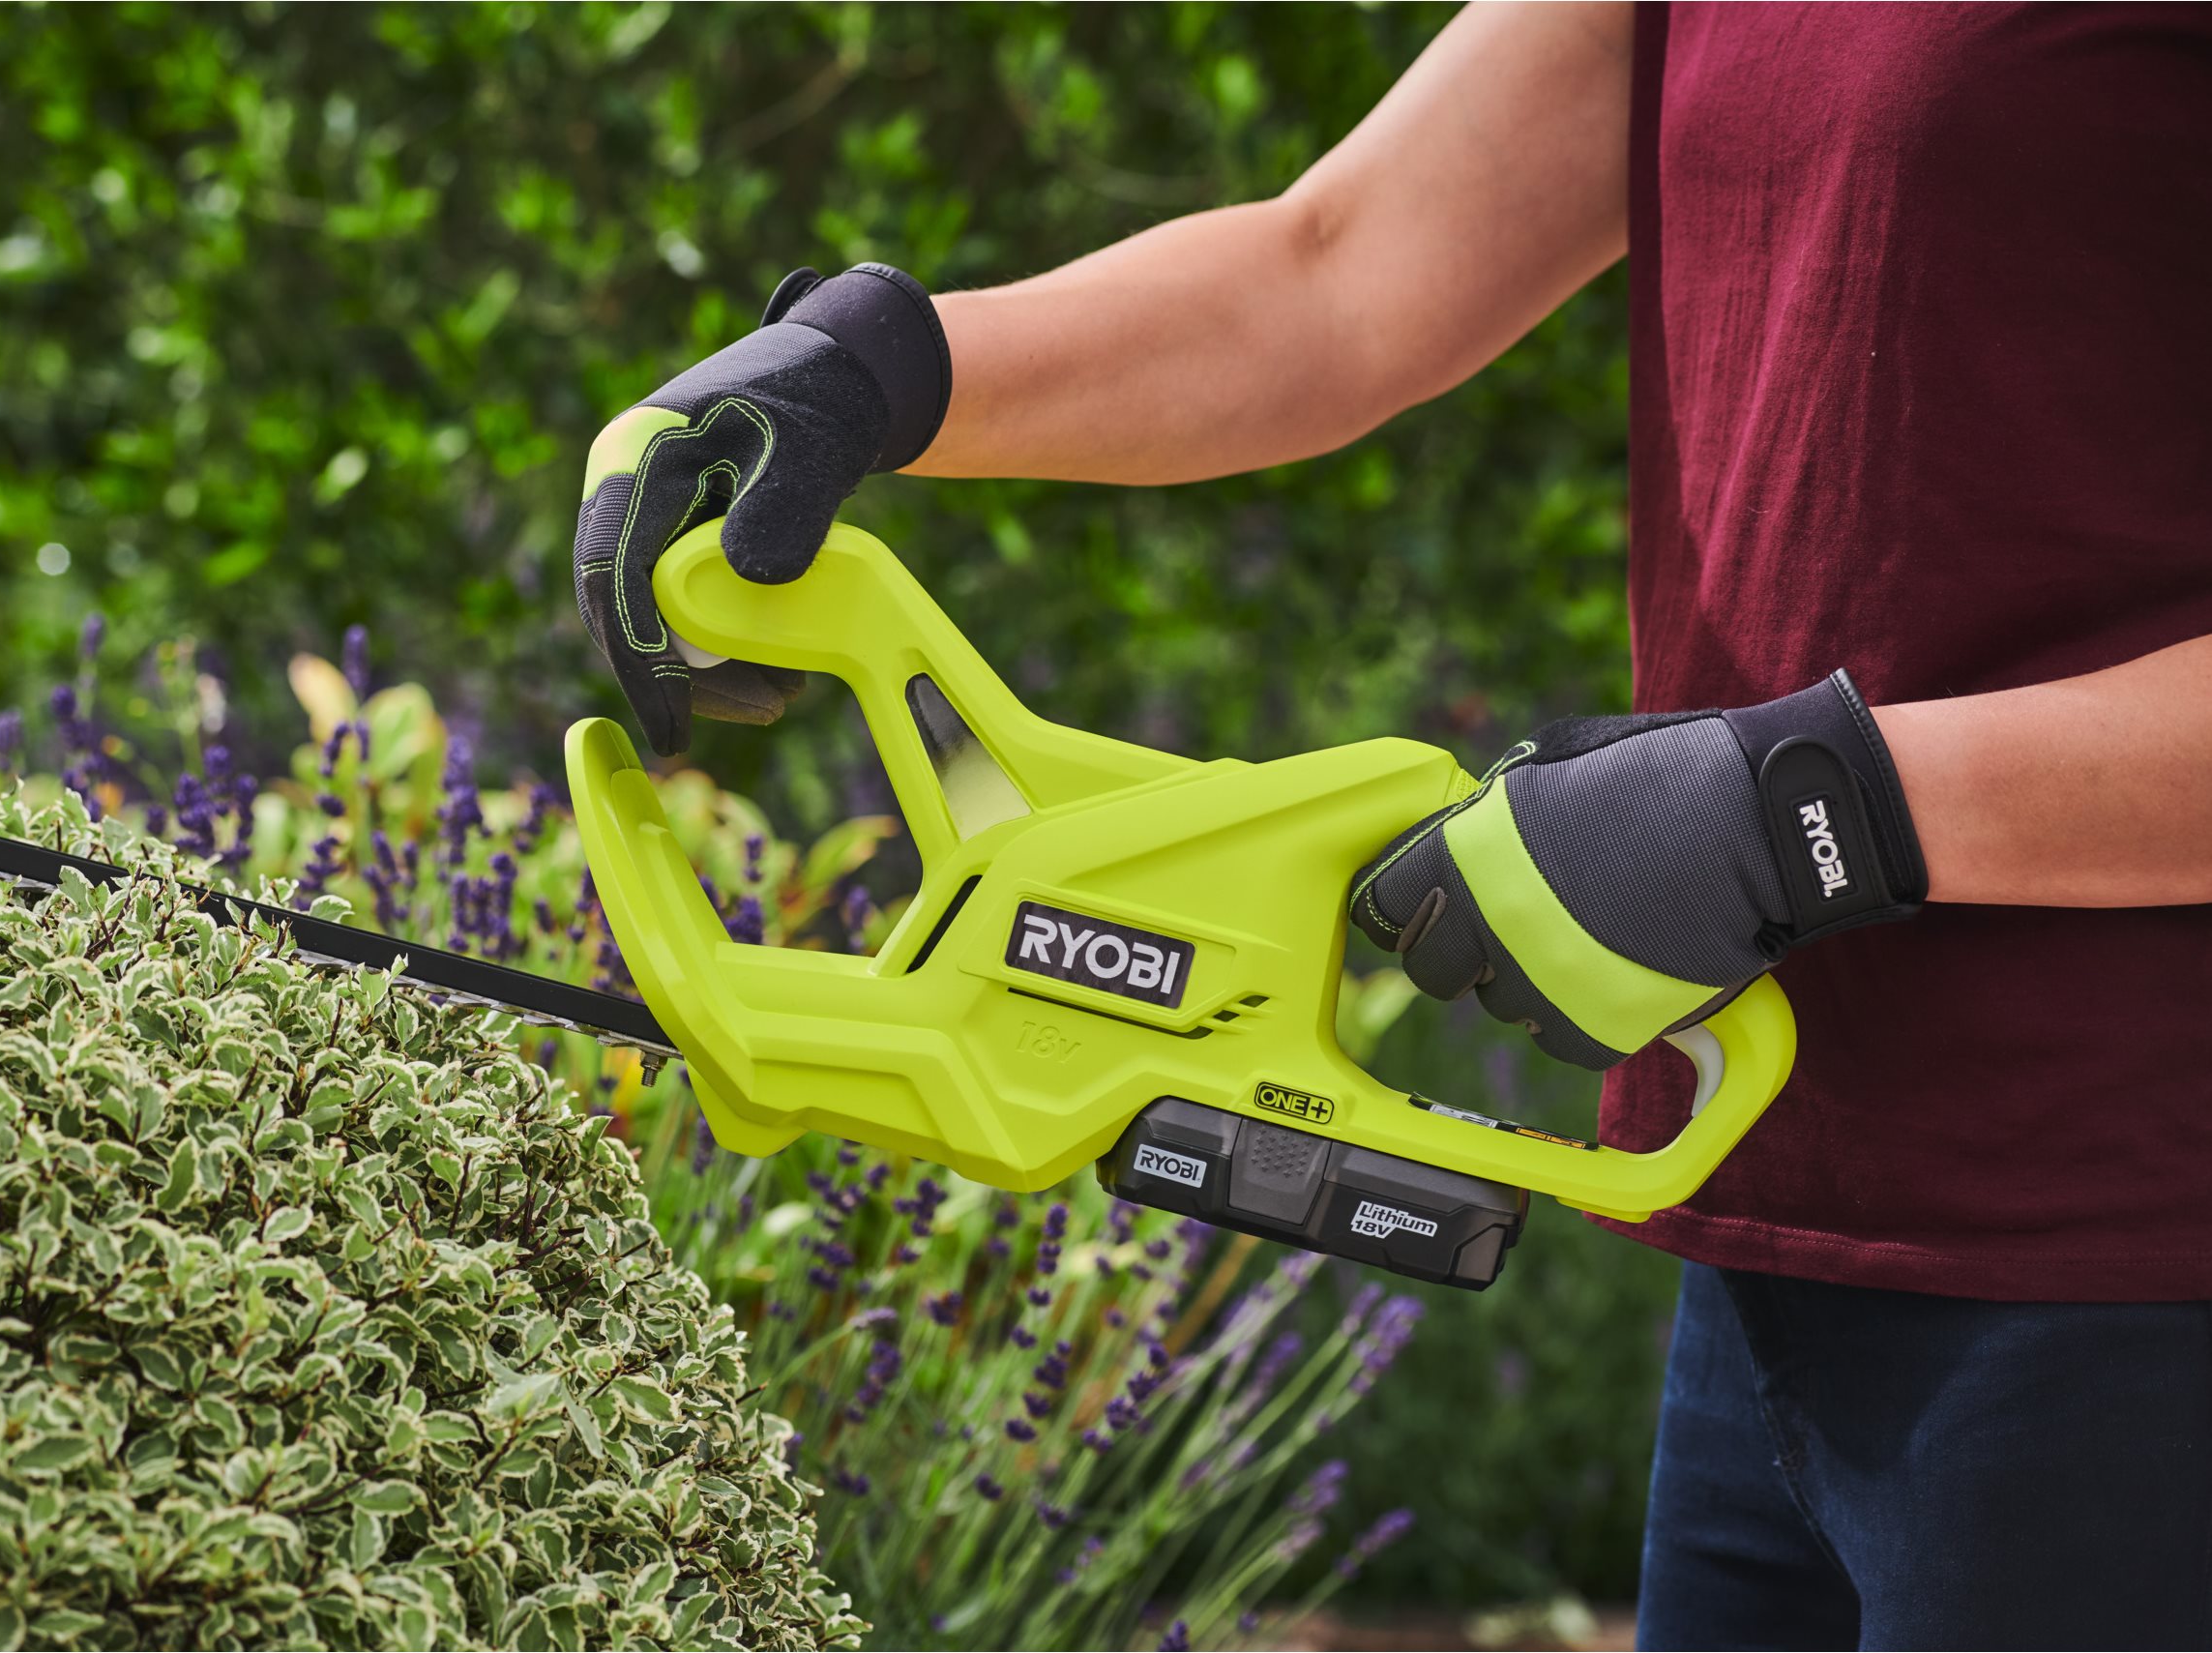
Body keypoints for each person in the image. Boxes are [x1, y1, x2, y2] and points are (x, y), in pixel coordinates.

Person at [575, 5, 2212, 1646]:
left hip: (2132, 1265)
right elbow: (1339, 269)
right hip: (1781, 1257)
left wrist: (1802, 810)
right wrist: (876, 367)